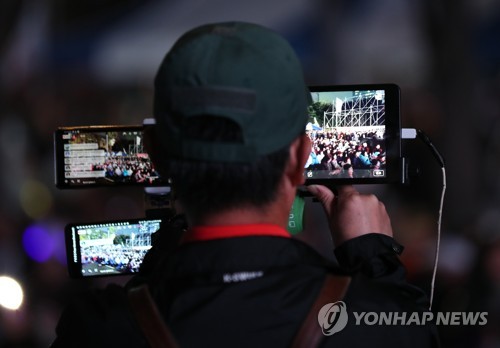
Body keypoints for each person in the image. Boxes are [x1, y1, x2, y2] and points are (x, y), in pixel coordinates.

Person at [51, 21, 439, 347]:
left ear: (153, 153)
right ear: (300, 156)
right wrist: (373, 258)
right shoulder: (378, 323)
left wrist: (159, 262)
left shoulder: (96, 330)